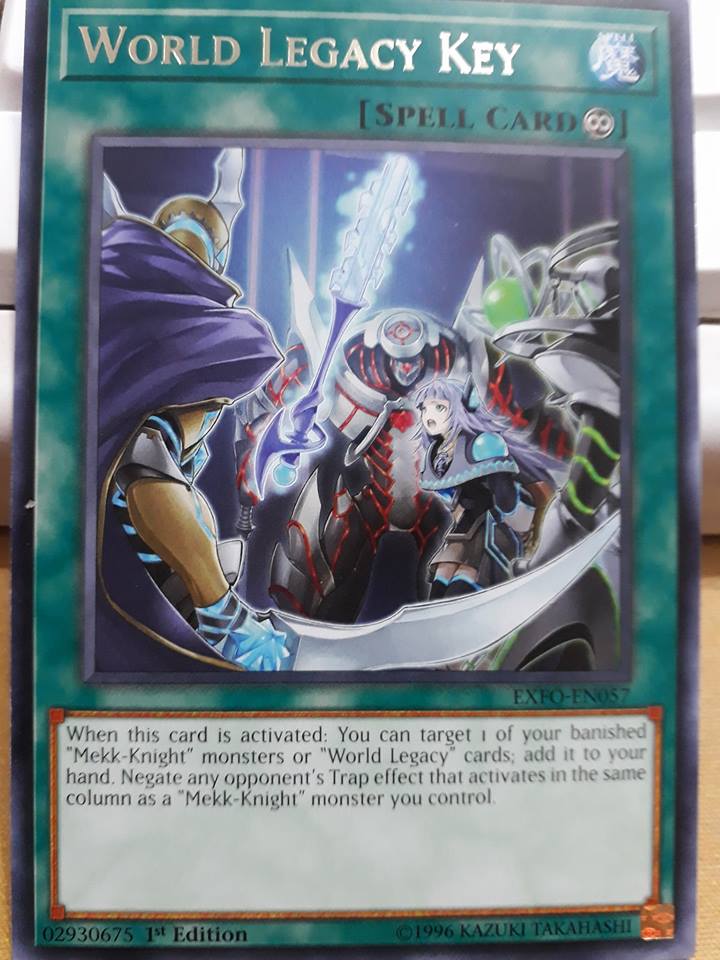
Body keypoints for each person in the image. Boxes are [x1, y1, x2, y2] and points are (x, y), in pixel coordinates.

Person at [416, 378, 559, 598]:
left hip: (496, 526)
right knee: (441, 580)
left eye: (439, 407)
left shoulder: (484, 444)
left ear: (461, 408)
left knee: (463, 582)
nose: (429, 415)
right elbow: (451, 498)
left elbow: (506, 500)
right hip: (465, 526)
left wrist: (520, 528)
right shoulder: (436, 454)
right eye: (424, 408)